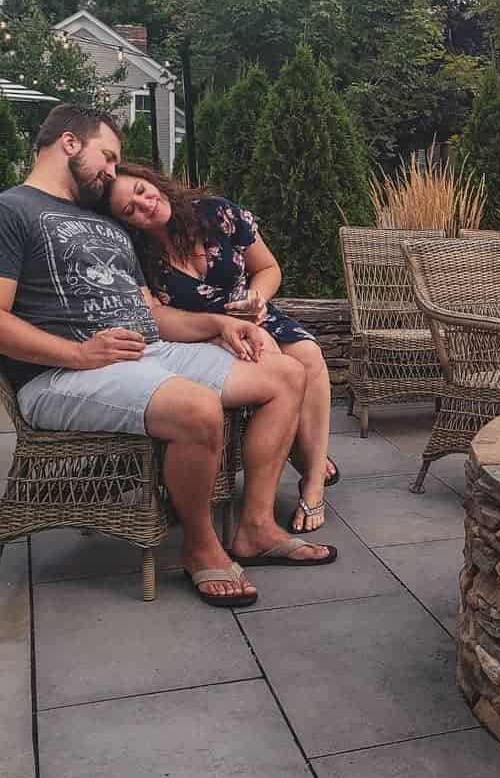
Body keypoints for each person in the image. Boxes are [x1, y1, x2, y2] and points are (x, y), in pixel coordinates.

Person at [0, 105, 335, 609]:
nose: (113, 171)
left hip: (148, 351)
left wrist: (222, 324)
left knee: (285, 373)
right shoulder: (12, 210)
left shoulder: (103, 222)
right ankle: (200, 547)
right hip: (60, 375)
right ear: (70, 144)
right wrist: (78, 352)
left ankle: (256, 529)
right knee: (197, 407)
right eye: (108, 157)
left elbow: (152, 316)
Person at [105, 163, 337, 535]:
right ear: (126, 223)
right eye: (129, 209)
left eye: (140, 190)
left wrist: (256, 298)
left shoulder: (216, 213)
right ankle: (297, 448)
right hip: (200, 334)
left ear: (152, 181)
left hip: (252, 313)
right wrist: (218, 327)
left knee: (309, 354)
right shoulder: (136, 253)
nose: (143, 204)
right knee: (273, 360)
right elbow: (158, 317)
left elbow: (269, 268)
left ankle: (313, 481)